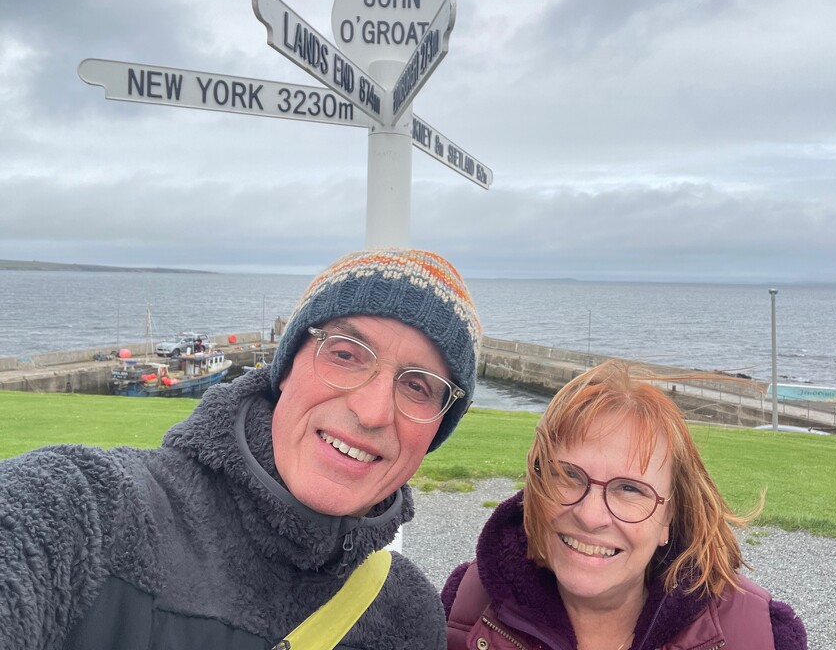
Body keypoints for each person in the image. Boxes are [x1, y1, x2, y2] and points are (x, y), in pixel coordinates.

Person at [0, 248, 481, 650]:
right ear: (286, 365)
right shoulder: (87, 509)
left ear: (437, 429)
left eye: (418, 387)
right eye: (345, 355)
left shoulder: (409, 616)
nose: (374, 411)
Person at [443, 360, 807, 650]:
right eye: (568, 475)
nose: (590, 515)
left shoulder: (762, 634)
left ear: (669, 517)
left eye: (630, 489)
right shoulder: (463, 607)